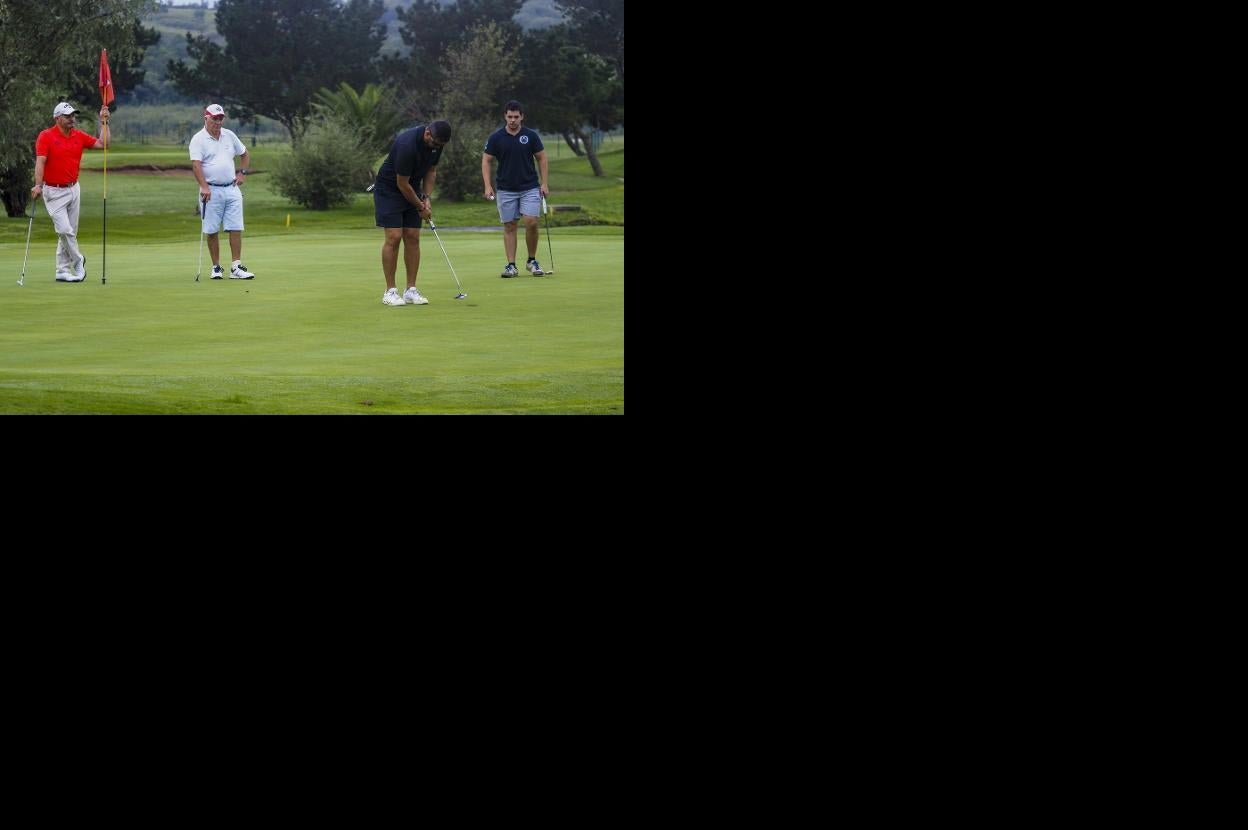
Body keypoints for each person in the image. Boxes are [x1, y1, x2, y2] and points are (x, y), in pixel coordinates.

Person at [373, 120, 451, 306]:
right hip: (390, 190)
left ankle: (411, 290)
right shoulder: (406, 145)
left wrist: (426, 197)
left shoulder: (437, 144)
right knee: (394, 236)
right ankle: (390, 291)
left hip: (411, 188)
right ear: (427, 134)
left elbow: (431, 170)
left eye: (440, 145)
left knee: (413, 236)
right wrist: (420, 207)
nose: (437, 147)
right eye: (435, 144)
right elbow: (401, 184)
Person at [31, 101, 111, 282]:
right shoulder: (46, 136)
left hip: (74, 189)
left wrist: (104, 122)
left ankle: (62, 270)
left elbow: (103, 144)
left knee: (68, 233)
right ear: (57, 118)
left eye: (73, 115)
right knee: (65, 230)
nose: (72, 119)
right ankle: (78, 259)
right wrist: (38, 185)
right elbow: (40, 161)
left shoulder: (78, 135)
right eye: (67, 116)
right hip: (53, 190)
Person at [482, 100, 549, 278]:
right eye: (510, 116)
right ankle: (511, 266)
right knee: (510, 226)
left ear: (522, 117)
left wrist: (544, 183)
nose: (512, 120)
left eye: (516, 117)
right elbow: (486, 160)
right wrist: (487, 185)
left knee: (531, 222)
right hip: (505, 189)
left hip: (529, 187)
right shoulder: (496, 138)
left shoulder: (531, 136)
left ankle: (532, 261)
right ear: (505, 116)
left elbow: (542, 158)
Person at [189, 104, 254, 280]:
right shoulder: (198, 139)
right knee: (211, 230)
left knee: (235, 227)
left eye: (220, 118)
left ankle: (236, 267)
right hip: (211, 189)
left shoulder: (229, 135)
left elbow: (245, 154)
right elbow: (196, 165)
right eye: (214, 118)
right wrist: (203, 186)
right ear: (206, 118)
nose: (218, 122)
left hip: (232, 188)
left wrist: (242, 172)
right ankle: (216, 267)